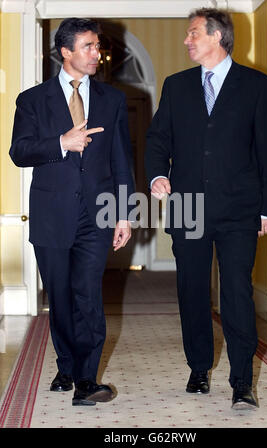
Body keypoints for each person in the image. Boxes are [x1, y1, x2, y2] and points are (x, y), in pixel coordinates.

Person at [145, 8, 267, 410]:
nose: (187, 41)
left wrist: (263, 209)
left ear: (218, 37)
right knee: (191, 290)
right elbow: (157, 140)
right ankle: (199, 367)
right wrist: (156, 177)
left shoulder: (256, 85)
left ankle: (242, 382)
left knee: (237, 292)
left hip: (240, 208)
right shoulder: (176, 86)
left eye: (193, 34)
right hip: (187, 205)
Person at [10, 18, 135, 407]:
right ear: (65, 52)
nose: (97, 53)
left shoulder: (113, 100)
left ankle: (85, 379)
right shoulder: (32, 100)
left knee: (88, 296)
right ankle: (66, 365)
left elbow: (121, 160)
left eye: (98, 46)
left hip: (97, 214)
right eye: (88, 46)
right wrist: (61, 142)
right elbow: (19, 152)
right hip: (51, 214)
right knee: (61, 299)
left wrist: (124, 214)